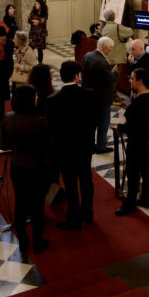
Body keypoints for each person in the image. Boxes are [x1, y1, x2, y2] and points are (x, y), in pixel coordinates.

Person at [1, 85, 52, 254]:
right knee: (37, 207)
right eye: (36, 96)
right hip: (37, 169)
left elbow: (4, 145)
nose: (38, 98)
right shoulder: (41, 122)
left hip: (17, 167)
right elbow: (46, 147)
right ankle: (38, 241)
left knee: (20, 206)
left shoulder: (8, 119)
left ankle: (22, 239)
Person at [46, 61, 97, 230]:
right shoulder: (89, 94)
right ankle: (88, 213)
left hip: (64, 148)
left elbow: (52, 128)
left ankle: (73, 218)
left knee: (70, 183)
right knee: (86, 179)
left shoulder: (52, 100)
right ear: (77, 76)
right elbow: (93, 121)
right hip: (84, 145)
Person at [115, 68, 149, 216]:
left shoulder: (140, 101)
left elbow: (133, 123)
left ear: (140, 81)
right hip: (146, 136)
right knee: (144, 169)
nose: (129, 80)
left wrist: (121, 127)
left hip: (137, 139)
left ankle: (129, 203)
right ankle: (147, 198)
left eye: (132, 78)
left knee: (133, 171)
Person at [81, 36, 118, 154]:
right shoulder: (102, 62)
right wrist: (114, 72)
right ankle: (101, 147)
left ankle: (90, 146)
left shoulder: (87, 56)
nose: (111, 50)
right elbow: (109, 80)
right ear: (105, 48)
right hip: (102, 98)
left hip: (88, 95)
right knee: (103, 124)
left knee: (91, 125)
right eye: (111, 48)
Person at [0, 26, 13, 125]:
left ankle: (2, 120)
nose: (4, 37)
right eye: (2, 36)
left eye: (5, 35)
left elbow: (9, 61)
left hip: (3, 77)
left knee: (1, 101)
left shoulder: (7, 45)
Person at [28, 0, 48, 64]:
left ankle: (40, 63)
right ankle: (30, 62)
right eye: (35, 4)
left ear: (41, 5)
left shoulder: (44, 13)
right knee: (31, 49)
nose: (36, 5)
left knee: (40, 50)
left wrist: (38, 22)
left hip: (40, 34)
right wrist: (34, 21)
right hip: (33, 33)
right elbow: (29, 19)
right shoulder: (33, 11)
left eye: (37, 4)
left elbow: (44, 22)